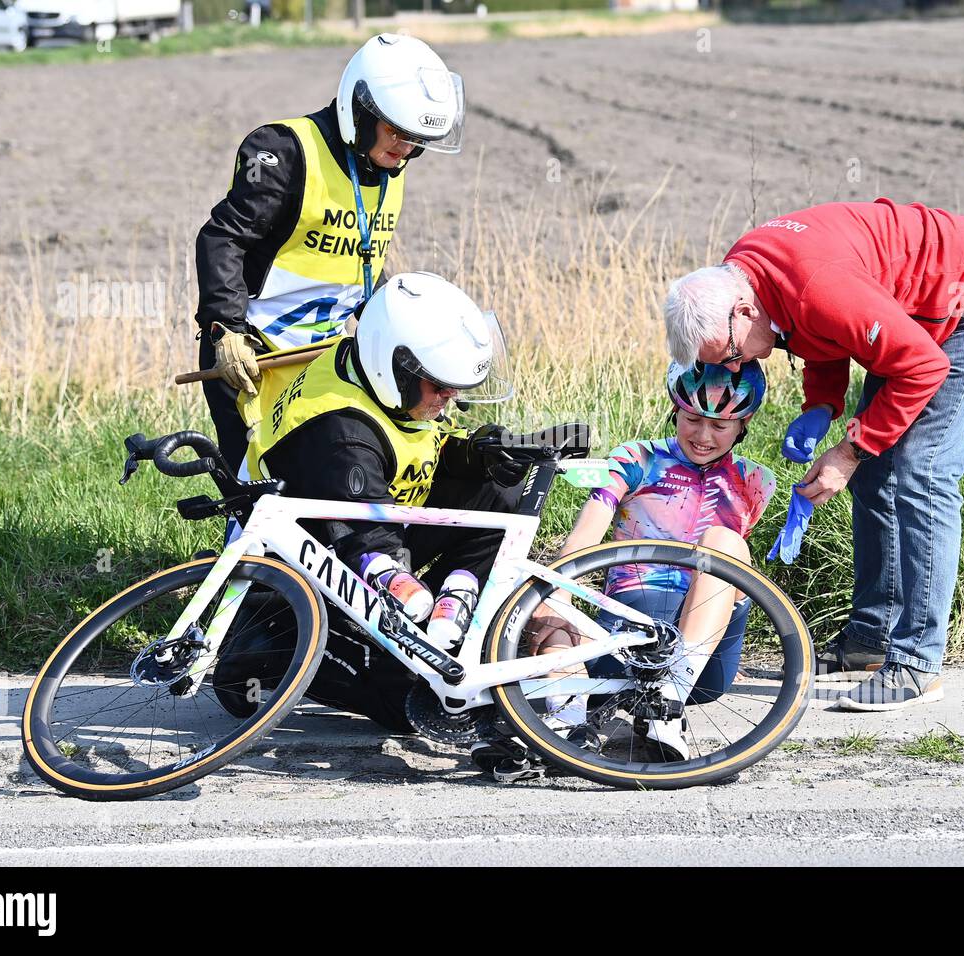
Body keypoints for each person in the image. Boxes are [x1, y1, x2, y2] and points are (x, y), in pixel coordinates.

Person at [664, 198, 964, 712]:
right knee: (875, 477)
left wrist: (848, 450)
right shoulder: (747, 275)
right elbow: (818, 330)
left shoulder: (816, 284)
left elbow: (921, 366)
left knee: (921, 471)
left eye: (732, 355)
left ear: (743, 311)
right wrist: (821, 404)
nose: (737, 366)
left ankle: (918, 664)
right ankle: (870, 640)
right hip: (907, 307)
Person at [213, 272, 525, 731]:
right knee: (412, 700)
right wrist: (414, 628)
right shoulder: (340, 436)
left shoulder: (373, 372)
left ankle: (451, 608)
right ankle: (252, 654)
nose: (451, 397)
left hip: (364, 523)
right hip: (306, 574)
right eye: (441, 387)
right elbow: (370, 540)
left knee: (499, 486)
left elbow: (417, 450)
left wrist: (478, 454)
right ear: (396, 368)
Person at [193, 33, 465, 469]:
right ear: (360, 111)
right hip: (254, 353)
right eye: (396, 132)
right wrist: (224, 329)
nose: (406, 150)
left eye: (416, 141)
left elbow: (359, 262)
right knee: (262, 484)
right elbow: (222, 238)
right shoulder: (282, 151)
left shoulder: (389, 161)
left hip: (328, 356)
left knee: (338, 476)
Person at [525, 360, 776, 760]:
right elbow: (585, 534)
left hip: (703, 647)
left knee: (724, 541)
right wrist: (555, 601)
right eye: (693, 418)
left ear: (743, 426)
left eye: (721, 425)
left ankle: (671, 697)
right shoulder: (636, 458)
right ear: (675, 410)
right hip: (624, 631)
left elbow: (733, 572)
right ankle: (566, 729)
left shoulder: (756, 481)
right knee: (550, 600)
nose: (704, 435)